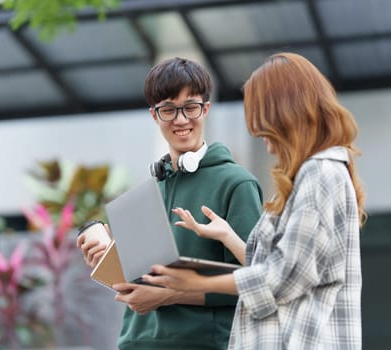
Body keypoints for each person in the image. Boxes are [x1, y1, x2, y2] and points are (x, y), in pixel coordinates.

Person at [143, 52, 367, 350]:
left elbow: (282, 278)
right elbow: (280, 266)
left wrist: (197, 285)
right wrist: (228, 236)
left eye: (260, 117)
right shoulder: (305, 179)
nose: (256, 131)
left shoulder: (321, 174)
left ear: (286, 113)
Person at [77, 57, 263, 350]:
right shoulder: (149, 191)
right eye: (168, 110)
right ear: (154, 115)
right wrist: (102, 248)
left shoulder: (236, 183)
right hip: (135, 342)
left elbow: (256, 281)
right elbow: (137, 280)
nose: (180, 120)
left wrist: (169, 295)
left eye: (190, 107)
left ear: (206, 109)